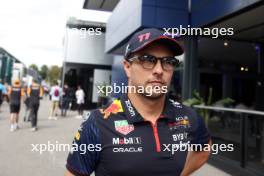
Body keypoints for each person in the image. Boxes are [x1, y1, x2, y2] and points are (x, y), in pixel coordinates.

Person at [65, 28, 211, 176]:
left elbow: (204, 149)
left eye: (168, 62)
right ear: (128, 67)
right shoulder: (98, 122)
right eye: (148, 60)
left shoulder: (187, 116)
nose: (159, 70)